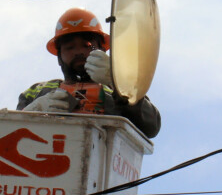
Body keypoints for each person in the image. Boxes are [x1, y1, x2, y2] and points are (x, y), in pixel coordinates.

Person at [17, 7, 161, 139]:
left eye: (87, 46)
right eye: (69, 47)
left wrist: (118, 82)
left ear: (102, 51)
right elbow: (9, 133)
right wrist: (33, 112)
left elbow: (151, 126)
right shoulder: (37, 91)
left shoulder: (118, 91)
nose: (78, 52)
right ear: (59, 57)